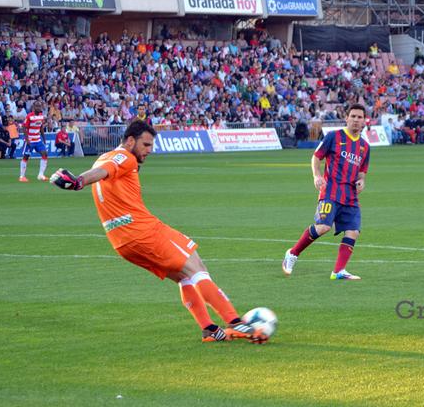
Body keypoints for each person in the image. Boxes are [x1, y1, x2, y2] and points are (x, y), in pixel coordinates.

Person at [49, 121, 267, 343]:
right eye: (146, 144)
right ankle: (235, 321)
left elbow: (104, 170)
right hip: (143, 231)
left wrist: (81, 180)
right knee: (196, 266)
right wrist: (78, 182)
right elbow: (104, 171)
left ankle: (209, 329)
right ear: (131, 141)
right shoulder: (125, 157)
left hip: (121, 242)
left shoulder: (104, 156)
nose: (149, 150)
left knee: (183, 277)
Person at [282, 104, 371, 281]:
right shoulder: (334, 137)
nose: (356, 120)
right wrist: (316, 176)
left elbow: (361, 171)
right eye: (353, 116)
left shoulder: (364, 147)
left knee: (353, 231)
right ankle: (292, 253)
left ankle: (338, 271)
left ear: (364, 121)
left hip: (351, 196)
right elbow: (316, 156)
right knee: (323, 227)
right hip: (331, 191)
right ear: (346, 118)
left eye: (359, 117)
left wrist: (362, 181)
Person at [19, 102, 49, 182]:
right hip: (30, 140)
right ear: (34, 107)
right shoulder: (29, 116)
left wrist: (44, 138)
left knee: (44, 154)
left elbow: (41, 127)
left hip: (38, 140)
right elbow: (24, 128)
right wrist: (27, 139)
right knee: (26, 157)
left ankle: (41, 175)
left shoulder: (41, 116)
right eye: (37, 106)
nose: (39, 107)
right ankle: (22, 176)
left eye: (40, 106)